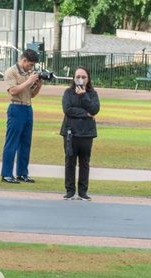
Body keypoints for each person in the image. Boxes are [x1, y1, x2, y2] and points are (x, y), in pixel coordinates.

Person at [0, 48, 41, 184]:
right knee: (12, 142)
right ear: (24, 60)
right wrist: (29, 81)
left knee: (25, 143)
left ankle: (22, 172)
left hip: (28, 108)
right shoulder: (11, 72)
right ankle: (6, 174)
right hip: (16, 108)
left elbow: (31, 94)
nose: (31, 68)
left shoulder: (28, 74)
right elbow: (13, 91)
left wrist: (38, 85)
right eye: (30, 64)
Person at [60, 66, 100, 201]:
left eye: (83, 77)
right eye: (78, 77)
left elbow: (94, 109)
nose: (80, 79)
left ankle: (83, 191)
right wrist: (85, 113)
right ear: (73, 78)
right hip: (70, 132)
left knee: (84, 163)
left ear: (88, 79)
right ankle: (70, 191)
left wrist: (83, 95)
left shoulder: (92, 94)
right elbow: (67, 109)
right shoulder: (68, 92)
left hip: (86, 133)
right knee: (70, 162)